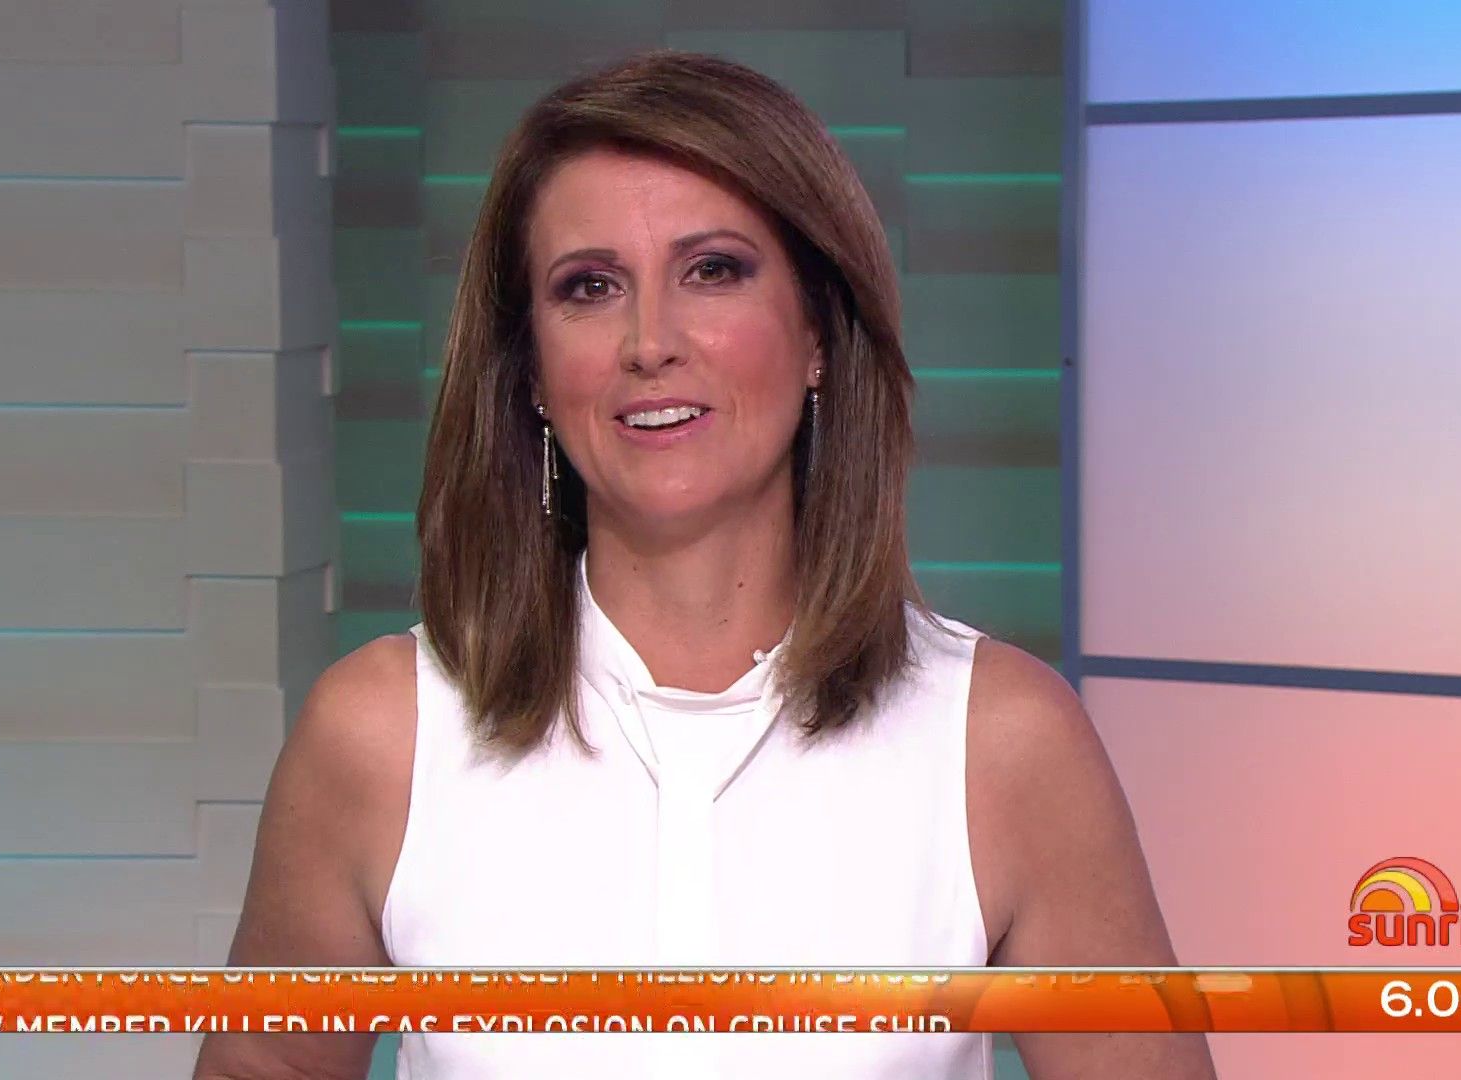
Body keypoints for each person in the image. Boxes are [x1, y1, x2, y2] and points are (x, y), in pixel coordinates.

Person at [193, 50, 1214, 1080]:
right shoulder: (380, 736)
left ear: (818, 332)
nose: (651, 342)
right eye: (590, 287)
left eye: (713, 271)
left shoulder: (1000, 741)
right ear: (532, 369)